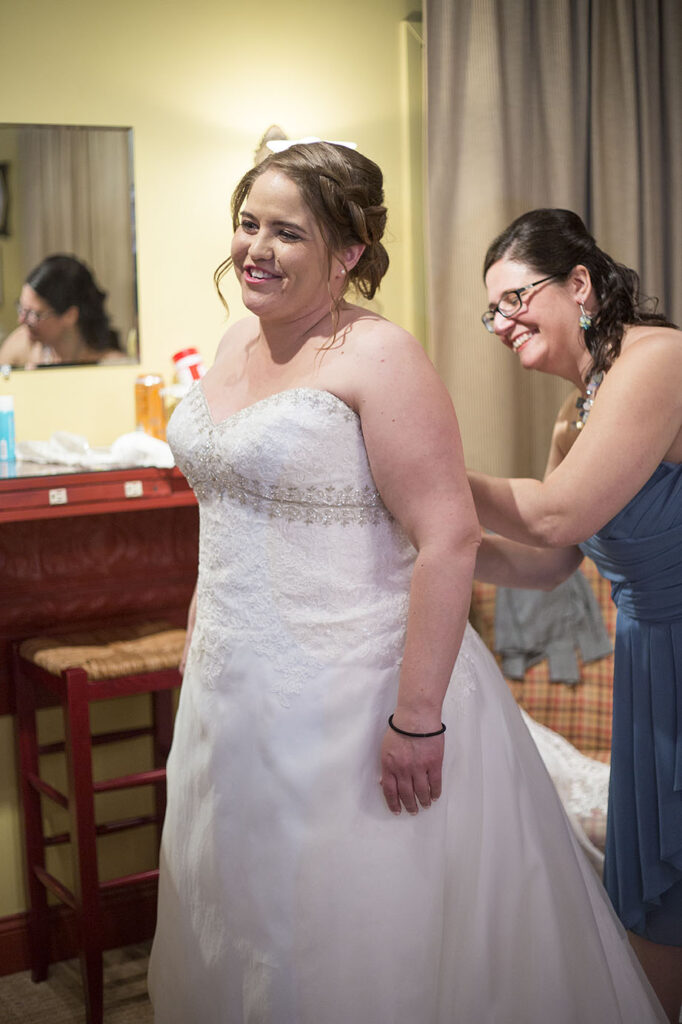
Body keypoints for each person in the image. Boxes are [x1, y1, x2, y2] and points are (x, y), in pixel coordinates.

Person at [147, 150, 666, 1023]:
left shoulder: (379, 355)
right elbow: (232, 514)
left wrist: (416, 716)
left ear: (348, 253)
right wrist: (205, 630)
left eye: (287, 231)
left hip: (358, 687)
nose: (256, 249)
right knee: (244, 914)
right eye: (248, 223)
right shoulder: (235, 340)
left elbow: (460, 533)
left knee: (357, 930)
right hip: (232, 684)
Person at [469, 207, 682, 1023]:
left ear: (581, 284)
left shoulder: (657, 360)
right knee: (659, 902)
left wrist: (431, 475)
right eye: (491, 311)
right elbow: (550, 561)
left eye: (514, 298)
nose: (502, 322)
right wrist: (440, 547)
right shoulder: (575, 414)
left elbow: (555, 515)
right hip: (651, 663)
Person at [0, 254, 129, 368]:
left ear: (70, 315)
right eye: (21, 309)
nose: (21, 320)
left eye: (34, 314)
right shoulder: (21, 345)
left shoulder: (111, 364)